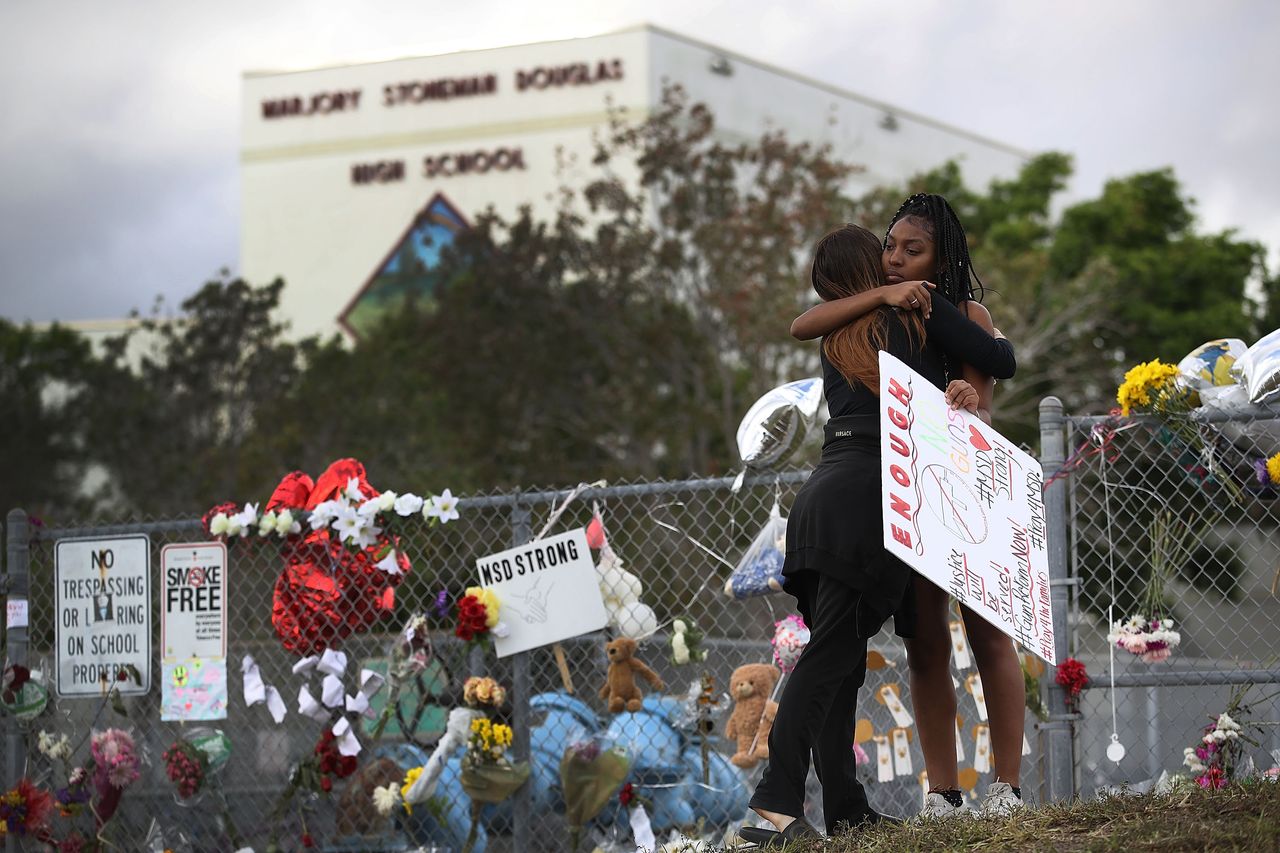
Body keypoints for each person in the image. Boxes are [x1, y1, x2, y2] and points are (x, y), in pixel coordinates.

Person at [741, 223, 1015, 847]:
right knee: (833, 655)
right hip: (869, 499)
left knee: (839, 660)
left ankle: (844, 805)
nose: (896, 265)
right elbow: (997, 359)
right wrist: (970, 374)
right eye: (885, 256)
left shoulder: (840, 333)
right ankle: (774, 803)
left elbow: (805, 323)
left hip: (819, 503)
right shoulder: (906, 323)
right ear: (873, 272)